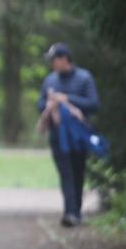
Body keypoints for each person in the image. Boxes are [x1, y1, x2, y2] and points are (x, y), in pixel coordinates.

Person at [36, 42, 100, 227]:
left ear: (64, 59)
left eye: (53, 60)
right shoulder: (50, 80)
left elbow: (94, 104)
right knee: (65, 172)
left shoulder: (84, 78)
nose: (51, 64)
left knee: (78, 171)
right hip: (57, 134)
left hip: (79, 134)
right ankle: (70, 212)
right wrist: (48, 105)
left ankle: (75, 212)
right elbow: (40, 104)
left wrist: (67, 99)